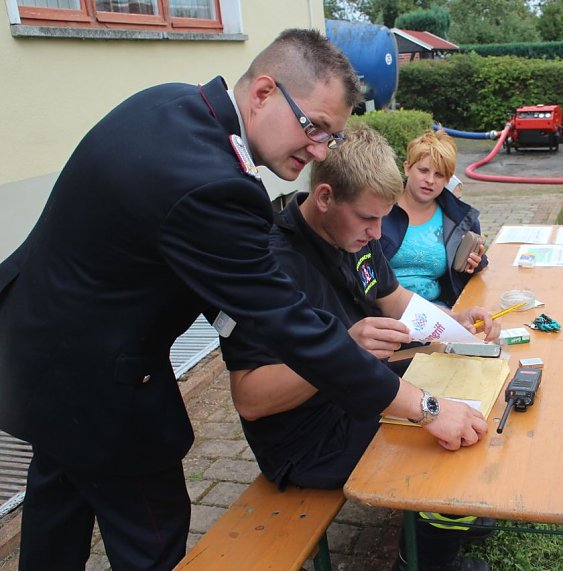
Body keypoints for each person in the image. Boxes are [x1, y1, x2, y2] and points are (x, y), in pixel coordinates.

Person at [0, 30, 486, 571]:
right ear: (262, 93)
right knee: (151, 536)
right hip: (98, 388)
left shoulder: (169, 103)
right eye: (315, 128)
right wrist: (428, 407)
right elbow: (295, 329)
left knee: (55, 514)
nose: (319, 151)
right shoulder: (217, 187)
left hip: (32, 350)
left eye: (331, 135)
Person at [224, 122, 498, 571]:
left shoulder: (354, 237)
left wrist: (456, 322)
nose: (376, 233)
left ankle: (448, 518)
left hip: (357, 395)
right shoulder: (268, 265)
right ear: (326, 196)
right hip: (307, 440)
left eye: (382, 219)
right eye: (369, 219)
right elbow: (250, 399)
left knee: (467, 386)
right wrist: (341, 349)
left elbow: (394, 300)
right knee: (446, 453)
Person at [381, 129, 487, 308]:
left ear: (448, 180)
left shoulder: (459, 218)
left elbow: (466, 275)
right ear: (407, 168)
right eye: (423, 170)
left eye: (439, 175)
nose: (430, 180)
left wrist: (475, 263)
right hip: (382, 311)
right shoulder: (379, 209)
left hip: (437, 311)